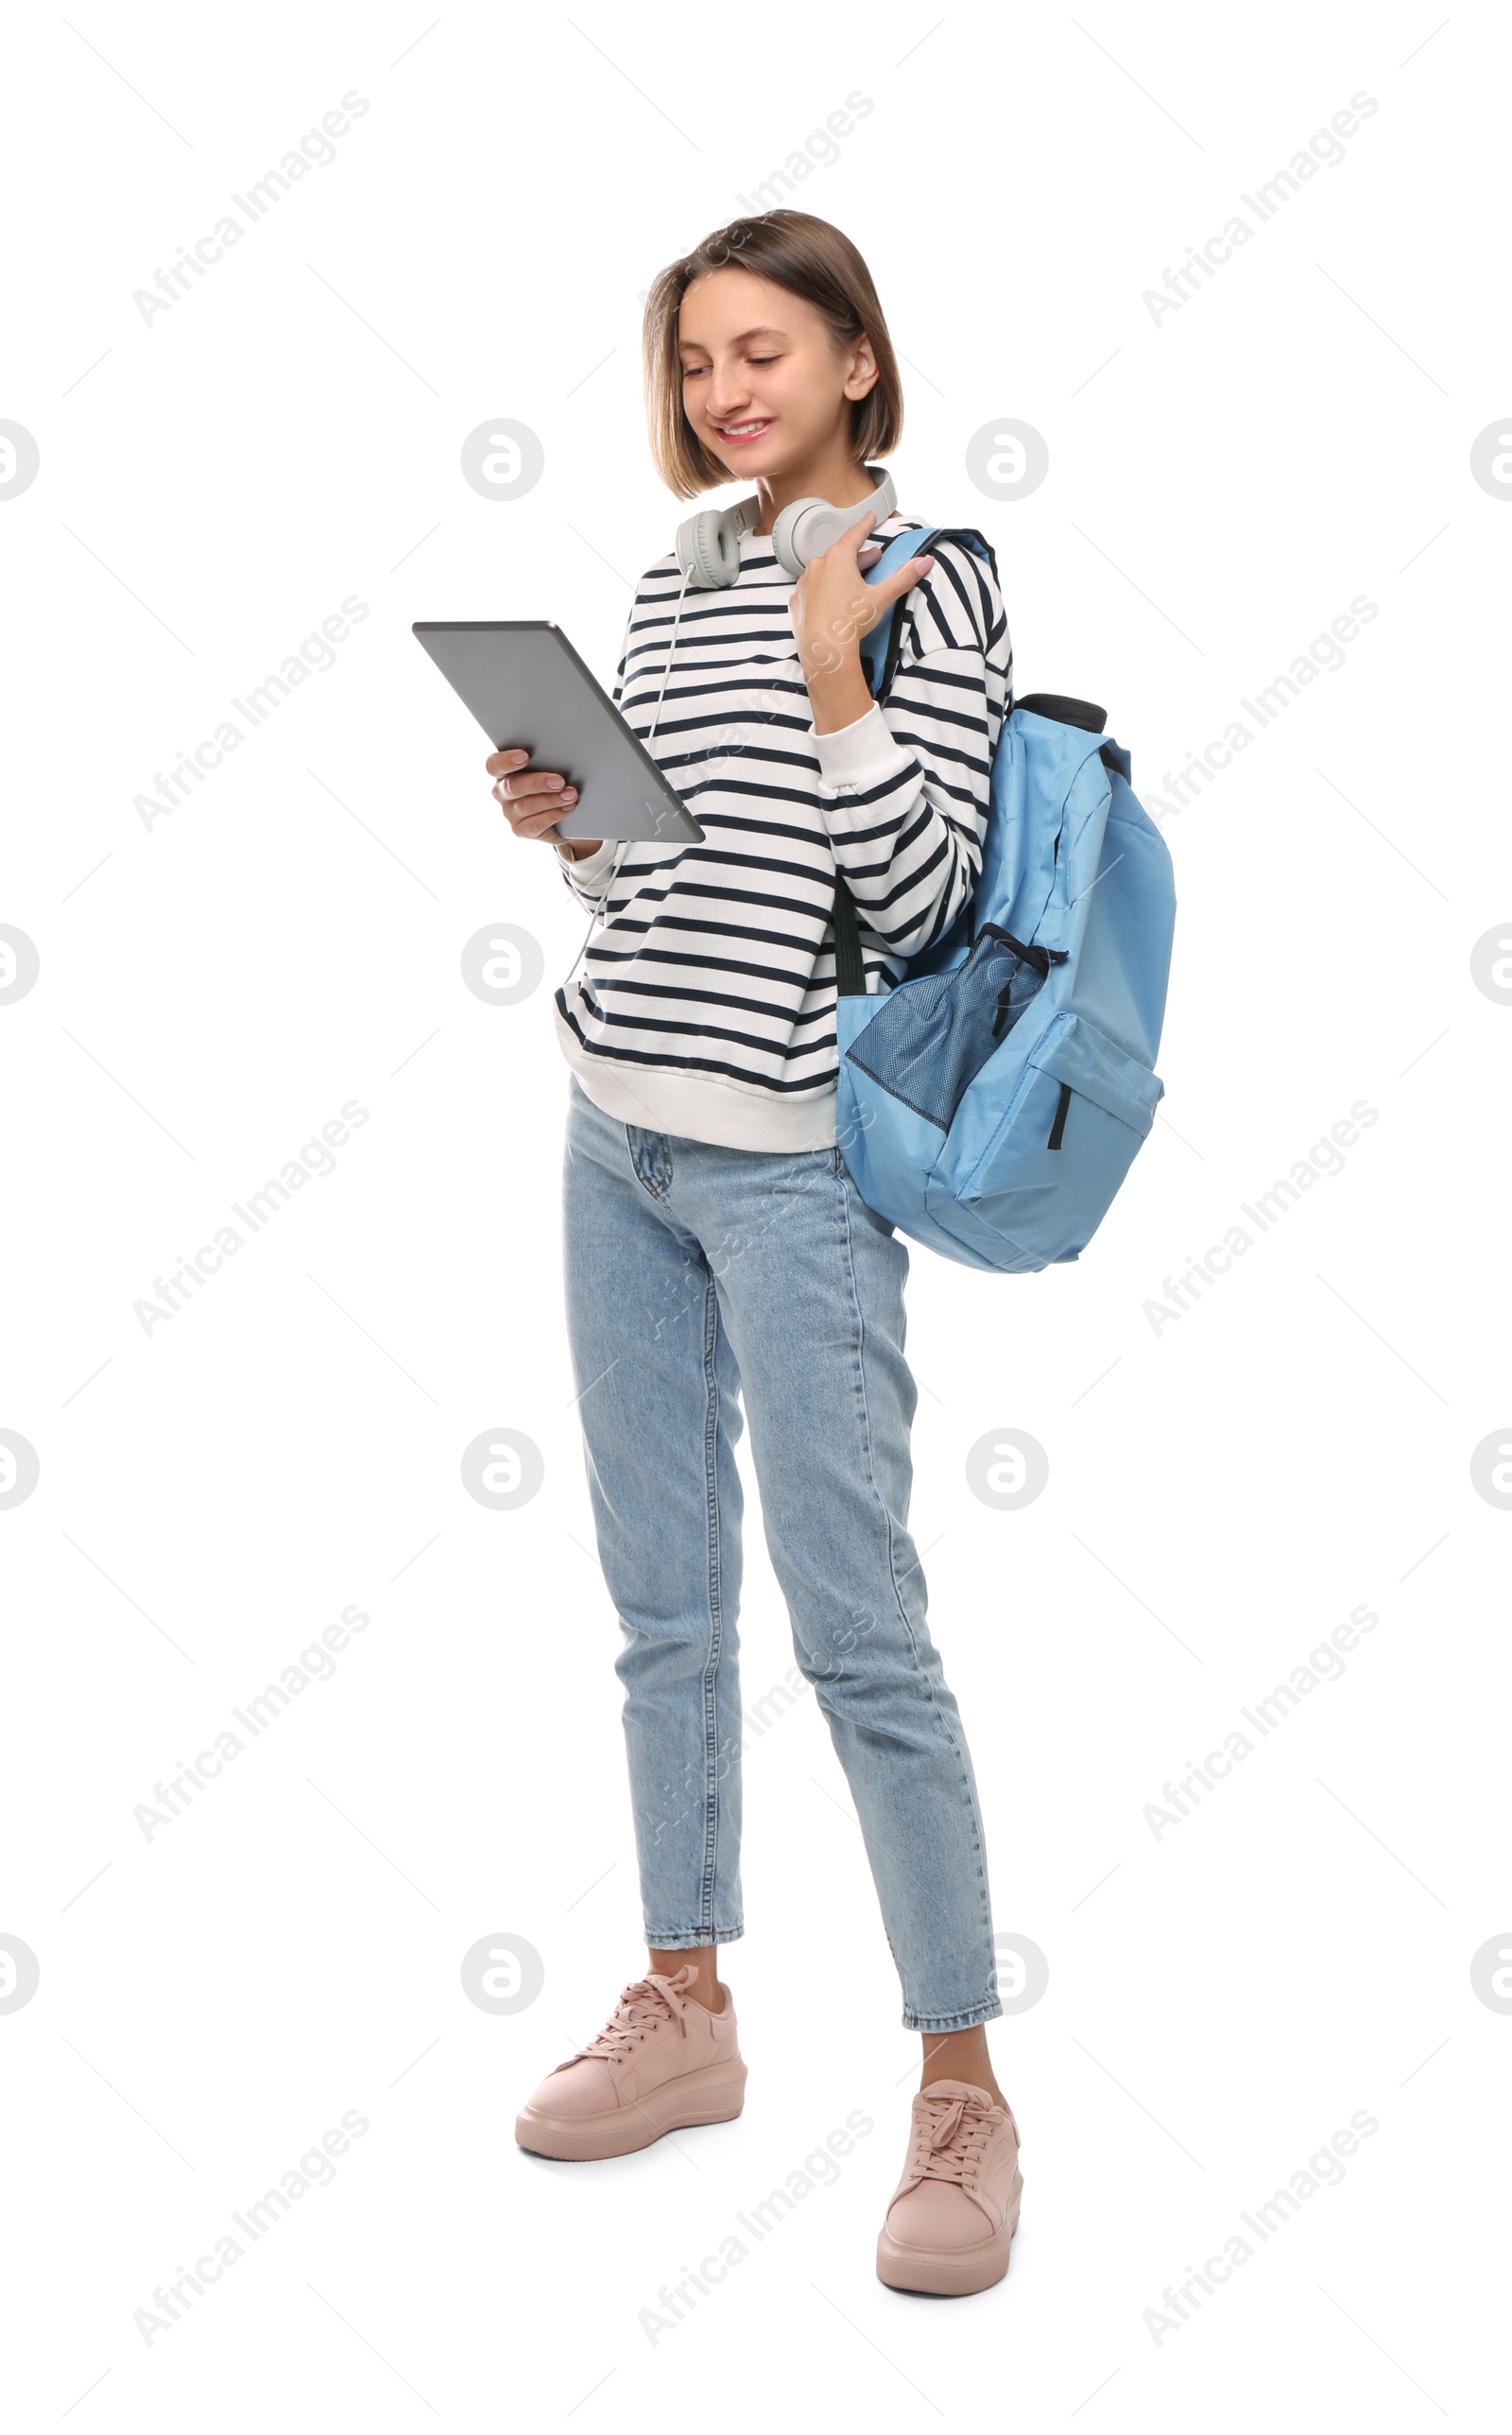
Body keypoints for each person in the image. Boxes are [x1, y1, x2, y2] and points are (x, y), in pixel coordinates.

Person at [490, 209, 1022, 2297]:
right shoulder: (671, 569)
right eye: (696, 357)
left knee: (860, 1631)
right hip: (609, 1126)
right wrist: (564, 817)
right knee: (658, 1605)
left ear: (858, 363)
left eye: (764, 350)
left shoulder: (926, 579)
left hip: (795, 1168)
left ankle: (961, 2086)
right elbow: (659, 871)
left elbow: (917, 914)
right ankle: (686, 2004)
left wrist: (835, 685)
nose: (726, 390)